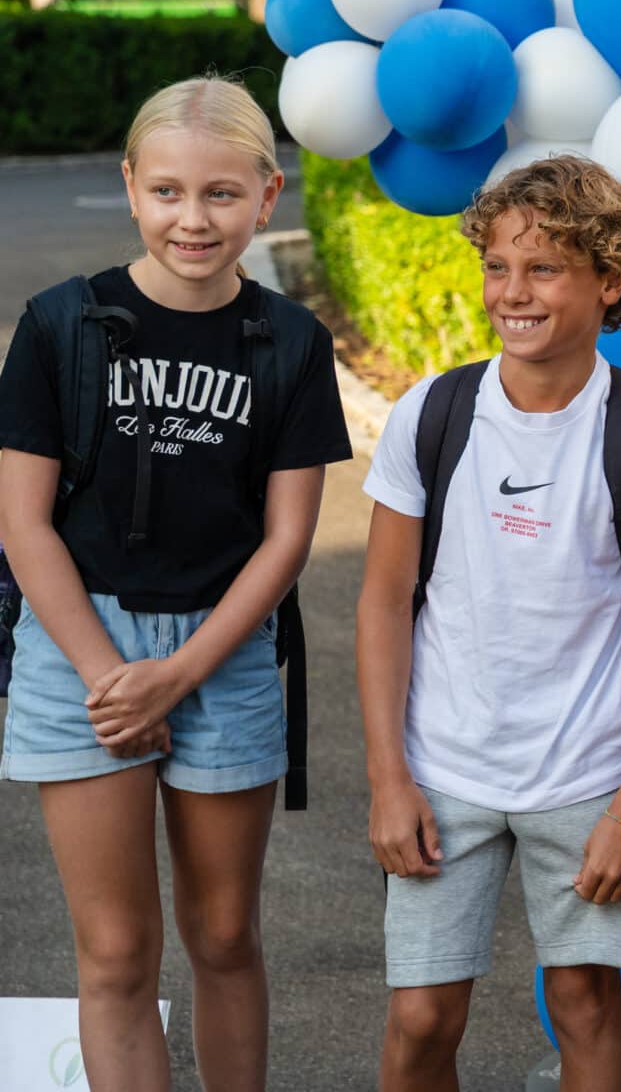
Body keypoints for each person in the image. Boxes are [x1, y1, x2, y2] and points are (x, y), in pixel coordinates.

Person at [0, 77, 350, 1092]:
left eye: (220, 194)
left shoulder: (288, 341)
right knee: (114, 949)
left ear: (267, 194)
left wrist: (183, 669)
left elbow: (289, 536)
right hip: (81, 652)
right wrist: (116, 672)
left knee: (227, 931)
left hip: (225, 646)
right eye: (166, 192)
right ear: (130, 188)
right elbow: (21, 521)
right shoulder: (59, 324)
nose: (192, 218)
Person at [357, 156, 621, 1091]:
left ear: (610, 280)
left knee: (587, 1006)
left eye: (545, 269)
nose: (513, 292)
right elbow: (386, 602)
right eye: (498, 266)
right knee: (423, 1015)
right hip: (444, 770)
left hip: (588, 777)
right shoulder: (431, 415)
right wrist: (390, 779)